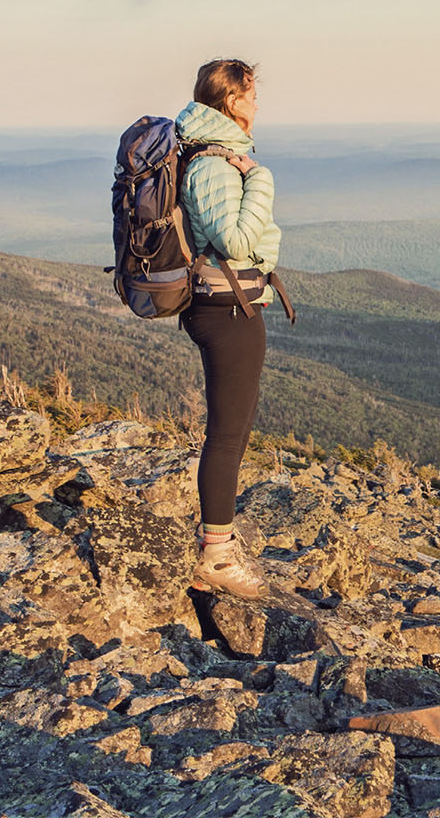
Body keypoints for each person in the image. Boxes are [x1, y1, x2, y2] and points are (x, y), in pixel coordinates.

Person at [176, 58, 282, 599]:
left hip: (227, 302)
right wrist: (261, 180)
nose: (258, 104)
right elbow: (236, 243)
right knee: (226, 434)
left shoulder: (212, 156)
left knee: (233, 431)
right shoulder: (216, 164)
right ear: (231, 100)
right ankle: (214, 557)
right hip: (226, 308)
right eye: (252, 95)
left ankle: (219, 542)